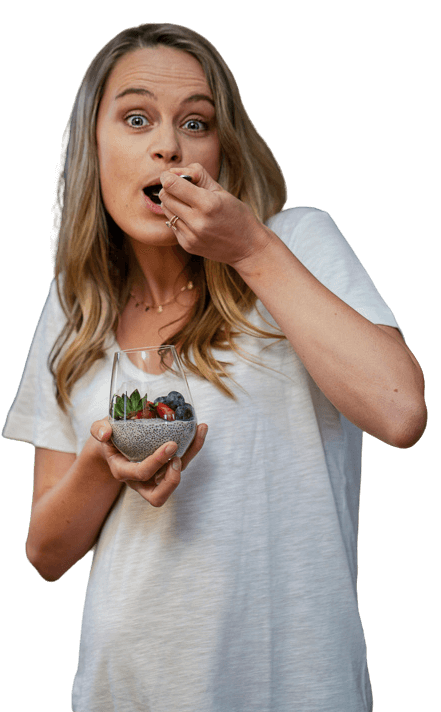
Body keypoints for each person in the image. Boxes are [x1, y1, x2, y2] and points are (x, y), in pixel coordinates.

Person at [3, 22, 426, 712]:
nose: (168, 145)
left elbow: (400, 412)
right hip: (122, 689)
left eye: (195, 123)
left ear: (221, 152)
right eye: (136, 118)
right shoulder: (73, 305)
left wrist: (250, 249)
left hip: (291, 689)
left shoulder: (294, 241)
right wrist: (103, 463)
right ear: (92, 146)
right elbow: (46, 555)